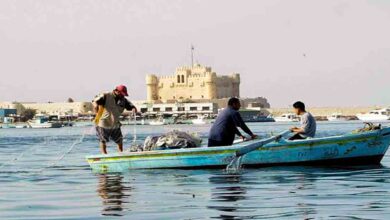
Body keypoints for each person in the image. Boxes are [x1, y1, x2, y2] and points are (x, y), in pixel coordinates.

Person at [93, 85, 137, 154]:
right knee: (103, 140)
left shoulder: (123, 100)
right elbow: (95, 101)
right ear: (117, 91)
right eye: (122, 94)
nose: (123, 96)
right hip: (103, 123)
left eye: (124, 95)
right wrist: (96, 110)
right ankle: (104, 154)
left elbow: (131, 106)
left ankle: (120, 153)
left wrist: (133, 108)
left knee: (119, 140)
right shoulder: (106, 95)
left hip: (115, 124)